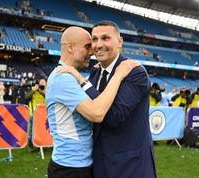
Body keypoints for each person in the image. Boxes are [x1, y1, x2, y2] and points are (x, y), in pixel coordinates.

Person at [46, 26, 138, 178]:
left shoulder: (68, 75)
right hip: (71, 168)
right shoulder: (63, 78)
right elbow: (97, 113)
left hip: (75, 164)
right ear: (70, 47)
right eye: (87, 46)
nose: (92, 52)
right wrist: (118, 74)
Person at [85, 21, 156, 178]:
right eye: (94, 39)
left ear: (119, 42)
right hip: (99, 162)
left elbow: (112, 117)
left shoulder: (135, 72)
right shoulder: (95, 72)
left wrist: (81, 82)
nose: (98, 45)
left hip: (130, 166)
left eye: (105, 38)